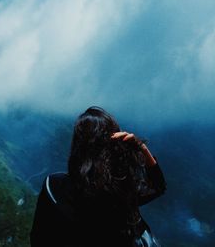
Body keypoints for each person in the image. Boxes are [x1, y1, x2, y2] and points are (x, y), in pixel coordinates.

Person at [30, 106, 167, 247]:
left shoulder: (54, 186)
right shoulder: (119, 193)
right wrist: (141, 148)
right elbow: (158, 187)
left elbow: (38, 237)